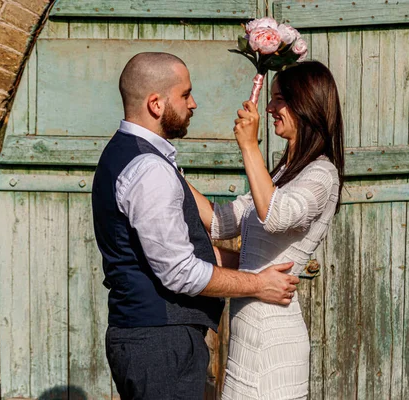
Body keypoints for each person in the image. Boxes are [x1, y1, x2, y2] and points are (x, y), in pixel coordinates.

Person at [91, 52, 300, 400]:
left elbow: (198, 236)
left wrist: (249, 260)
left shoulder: (132, 155)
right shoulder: (149, 169)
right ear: (156, 104)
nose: (194, 103)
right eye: (185, 94)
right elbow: (179, 272)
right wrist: (258, 285)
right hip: (159, 344)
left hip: (152, 342)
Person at [190, 61, 345, 399]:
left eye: (279, 100)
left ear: (306, 104)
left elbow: (276, 216)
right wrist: (166, 169)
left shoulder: (321, 174)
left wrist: (249, 146)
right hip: (248, 327)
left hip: (273, 336)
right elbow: (221, 223)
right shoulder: (282, 173)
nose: (270, 108)